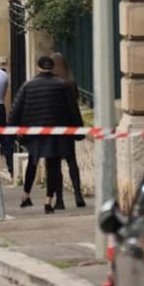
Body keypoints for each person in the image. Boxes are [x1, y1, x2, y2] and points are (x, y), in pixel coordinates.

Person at [8, 55, 81, 213]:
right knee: (53, 166)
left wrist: (12, 131)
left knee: (32, 163)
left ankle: (26, 195)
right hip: (56, 132)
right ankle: (49, 201)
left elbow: (15, 110)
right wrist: (78, 129)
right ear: (52, 67)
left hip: (34, 132)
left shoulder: (28, 86)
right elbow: (73, 109)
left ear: (38, 67)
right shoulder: (62, 85)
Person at [51, 52, 86, 207]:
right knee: (72, 161)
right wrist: (79, 128)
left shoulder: (50, 83)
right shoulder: (71, 83)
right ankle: (78, 195)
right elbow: (75, 107)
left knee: (55, 164)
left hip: (52, 129)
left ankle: (59, 199)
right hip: (68, 128)